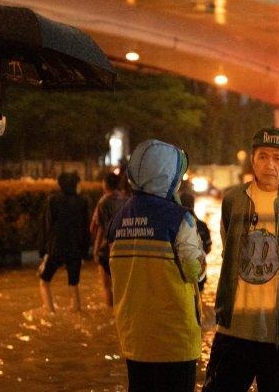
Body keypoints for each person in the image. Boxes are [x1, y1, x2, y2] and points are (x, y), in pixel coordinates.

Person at [203, 127, 279, 392]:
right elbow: (230, 250)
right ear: (252, 160)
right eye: (263, 156)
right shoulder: (233, 201)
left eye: (277, 158)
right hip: (234, 328)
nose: (270, 164)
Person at [107, 139, 206, 392]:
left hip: (134, 337)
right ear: (167, 177)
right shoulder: (178, 218)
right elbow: (194, 270)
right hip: (173, 339)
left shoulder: (119, 219)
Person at [38, 172, 90, 313]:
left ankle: (50, 312)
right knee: (74, 284)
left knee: (44, 281)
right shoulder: (82, 201)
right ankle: (78, 312)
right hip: (75, 250)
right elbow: (85, 229)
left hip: (56, 248)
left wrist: (43, 252)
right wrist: (84, 253)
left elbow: (46, 227)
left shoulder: (53, 200)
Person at [90, 172, 127, 307]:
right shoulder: (125, 200)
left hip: (106, 249)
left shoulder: (103, 201)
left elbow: (99, 228)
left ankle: (110, 312)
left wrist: (95, 250)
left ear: (105, 184)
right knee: (121, 285)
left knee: (107, 287)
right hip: (124, 247)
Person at [180, 192, 212, 291]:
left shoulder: (177, 225)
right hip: (199, 273)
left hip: (181, 276)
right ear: (193, 204)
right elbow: (208, 248)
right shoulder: (202, 225)